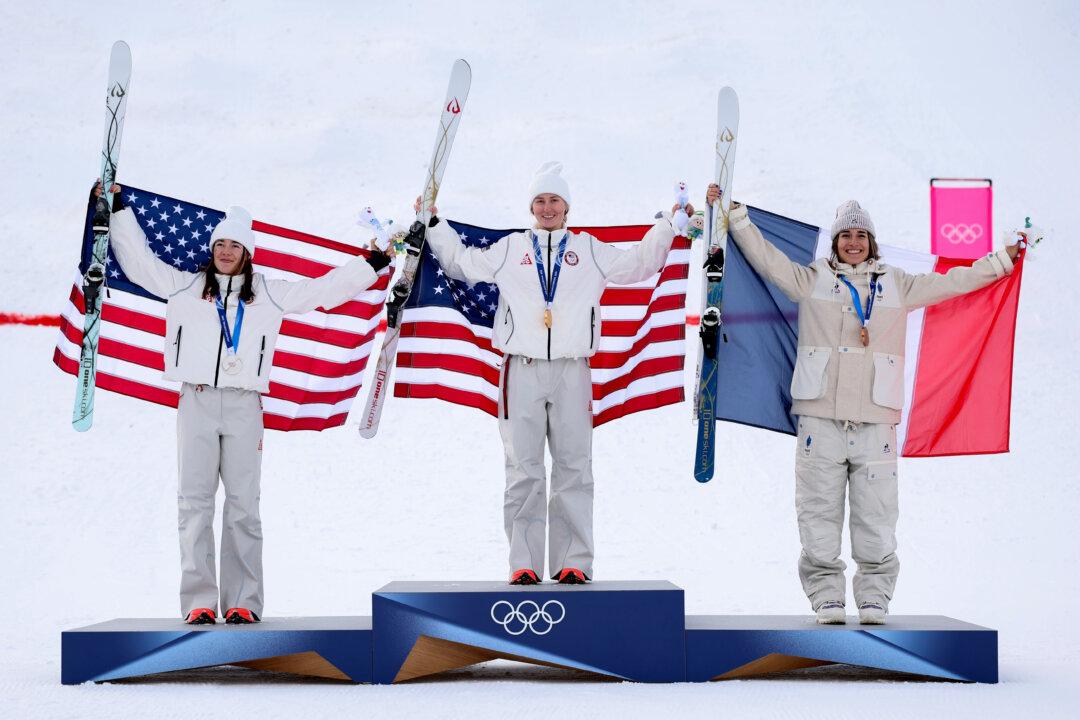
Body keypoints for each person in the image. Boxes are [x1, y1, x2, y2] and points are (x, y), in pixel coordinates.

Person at [706, 184, 1019, 624]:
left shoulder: (897, 285)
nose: (853, 242)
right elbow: (769, 263)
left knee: (877, 517)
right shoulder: (813, 279)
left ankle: (874, 596)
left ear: (871, 241)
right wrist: (736, 217)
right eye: (845, 235)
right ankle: (826, 596)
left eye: (861, 235)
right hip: (821, 421)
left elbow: (954, 282)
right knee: (818, 514)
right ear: (835, 242)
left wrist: (1001, 260)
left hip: (876, 422)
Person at [93, 181, 391, 624]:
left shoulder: (268, 293)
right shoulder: (185, 286)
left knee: (243, 506)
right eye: (221, 244)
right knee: (193, 503)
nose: (227, 251)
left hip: (245, 406)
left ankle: (243, 602)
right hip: (195, 401)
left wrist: (372, 264)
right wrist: (116, 210)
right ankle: (198, 601)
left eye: (235, 245)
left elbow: (323, 291)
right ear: (212, 248)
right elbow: (138, 264)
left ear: (247, 253)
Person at [422, 162, 687, 584]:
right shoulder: (511, 249)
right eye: (540, 201)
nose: (548, 208)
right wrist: (433, 221)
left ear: (567, 206)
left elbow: (637, 266)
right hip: (520, 369)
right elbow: (459, 263)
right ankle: (523, 562)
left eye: (555, 201)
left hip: (572, 370)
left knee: (574, 468)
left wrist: (668, 226)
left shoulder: (589, 249)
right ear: (531, 206)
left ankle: (573, 563)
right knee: (523, 469)